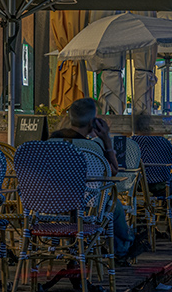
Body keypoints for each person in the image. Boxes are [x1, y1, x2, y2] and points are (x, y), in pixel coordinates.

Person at [50, 98, 148, 263]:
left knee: (111, 203)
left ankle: (125, 244)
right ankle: (124, 246)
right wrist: (106, 140)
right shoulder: (92, 148)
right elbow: (113, 172)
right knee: (112, 203)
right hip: (88, 205)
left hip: (51, 205)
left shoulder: (50, 142)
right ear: (92, 122)